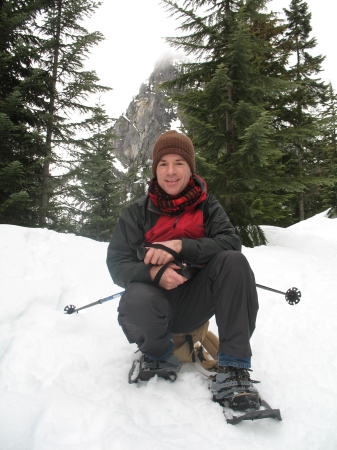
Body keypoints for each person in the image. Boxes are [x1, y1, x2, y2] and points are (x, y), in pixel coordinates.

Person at [107, 130, 260, 411]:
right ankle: (158, 354)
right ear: (155, 170)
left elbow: (230, 243)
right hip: (153, 303)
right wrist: (154, 274)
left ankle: (233, 369)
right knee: (137, 297)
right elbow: (117, 264)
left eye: (179, 162)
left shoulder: (208, 207)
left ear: (190, 168)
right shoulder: (136, 213)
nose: (171, 171)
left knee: (234, 263)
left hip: (195, 301)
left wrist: (179, 245)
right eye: (163, 163)